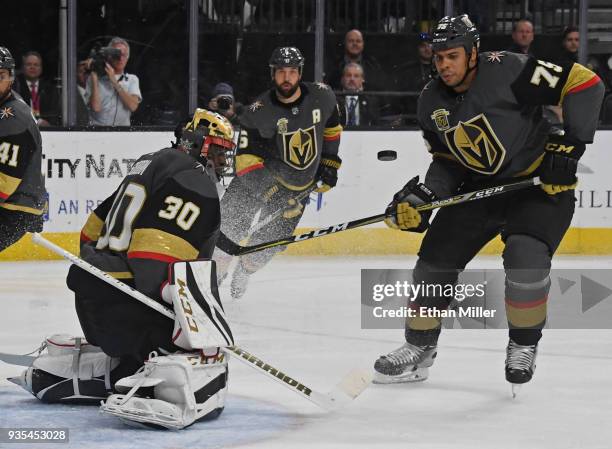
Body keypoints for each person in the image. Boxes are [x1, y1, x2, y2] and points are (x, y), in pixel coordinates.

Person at [373, 15, 604, 391]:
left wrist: (569, 146)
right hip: (478, 190)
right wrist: (426, 196)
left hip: (535, 186)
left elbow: (585, 83)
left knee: (524, 258)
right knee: (433, 265)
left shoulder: (509, 69)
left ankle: (523, 345)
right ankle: (419, 348)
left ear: (472, 53)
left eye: (452, 55)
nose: (444, 64)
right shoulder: (430, 100)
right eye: (438, 57)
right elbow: (447, 160)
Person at [11, 109, 236, 429]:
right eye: (217, 149)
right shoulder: (193, 177)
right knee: (191, 318)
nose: (222, 160)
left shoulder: (148, 163)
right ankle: (161, 367)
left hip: (94, 295)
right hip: (130, 307)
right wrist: (188, 323)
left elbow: (89, 233)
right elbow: (153, 267)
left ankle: (127, 363)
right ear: (196, 142)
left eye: (226, 153)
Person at [216, 46, 343, 299]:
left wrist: (330, 161)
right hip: (253, 184)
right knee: (224, 238)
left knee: (263, 250)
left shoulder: (323, 96)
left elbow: (332, 128)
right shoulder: (257, 112)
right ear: (273, 74)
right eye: (281, 72)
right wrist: (274, 193)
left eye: (292, 72)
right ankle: (212, 282)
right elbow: (246, 162)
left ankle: (244, 270)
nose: (287, 77)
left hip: (296, 190)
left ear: (300, 73)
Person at [0, 47, 46, 252]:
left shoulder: (13, 118)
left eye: (0, 76)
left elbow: (4, 183)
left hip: (15, 208)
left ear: (11, 77)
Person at [86, 37, 142, 126]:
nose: (120, 58)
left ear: (128, 58)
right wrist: (94, 74)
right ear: (109, 56)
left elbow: (133, 106)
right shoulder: (95, 79)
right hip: (97, 132)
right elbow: (96, 108)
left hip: (123, 133)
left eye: (124, 55)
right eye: (117, 54)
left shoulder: (132, 79)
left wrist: (114, 82)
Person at [14, 51, 60, 126]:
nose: (32, 67)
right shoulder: (15, 88)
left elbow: (55, 114)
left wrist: (49, 124)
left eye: (36, 65)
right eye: (29, 64)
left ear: (41, 68)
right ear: (23, 67)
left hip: (49, 132)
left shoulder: (50, 89)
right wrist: (37, 122)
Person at [338, 62, 380, 127]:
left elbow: (376, 125)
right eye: (348, 75)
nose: (352, 79)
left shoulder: (371, 101)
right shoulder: (334, 99)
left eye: (356, 76)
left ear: (362, 79)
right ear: (342, 79)